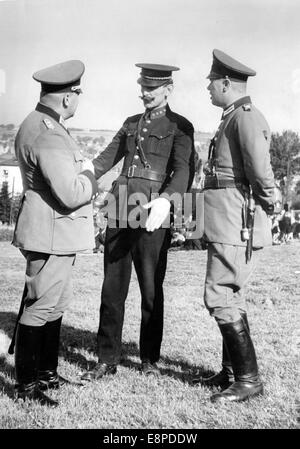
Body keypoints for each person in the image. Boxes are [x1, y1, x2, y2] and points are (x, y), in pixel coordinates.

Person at [81, 63, 195, 380]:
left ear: (168, 90)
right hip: (120, 208)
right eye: (142, 86)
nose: (144, 93)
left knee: (151, 289)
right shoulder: (131, 123)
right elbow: (106, 158)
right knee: (112, 289)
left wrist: (166, 198)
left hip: (153, 212)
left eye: (151, 88)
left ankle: (149, 359)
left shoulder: (181, 126)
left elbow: (184, 170)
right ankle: (107, 358)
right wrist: (85, 172)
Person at [12, 60, 98, 406]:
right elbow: (70, 192)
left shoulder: (44, 124)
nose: (78, 100)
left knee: (55, 304)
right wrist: (91, 176)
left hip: (56, 234)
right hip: (49, 234)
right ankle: (27, 386)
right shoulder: (48, 133)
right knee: (40, 306)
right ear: (67, 98)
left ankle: (46, 373)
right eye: (78, 94)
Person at [192, 49, 275, 403]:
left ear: (227, 83)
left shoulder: (244, 117)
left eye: (212, 81)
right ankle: (231, 373)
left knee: (220, 294)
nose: (208, 86)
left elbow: (259, 172)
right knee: (231, 295)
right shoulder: (231, 117)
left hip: (235, 219)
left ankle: (248, 379)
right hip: (225, 219)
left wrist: (269, 202)